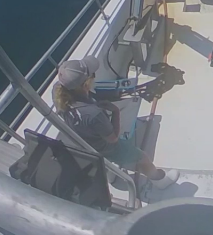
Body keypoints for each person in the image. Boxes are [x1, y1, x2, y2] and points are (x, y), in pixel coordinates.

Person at [52, 57, 179, 189]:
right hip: (105, 146)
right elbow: (112, 139)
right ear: (85, 84)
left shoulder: (57, 93)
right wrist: (115, 111)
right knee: (142, 157)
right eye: (92, 75)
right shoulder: (94, 114)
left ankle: (110, 173)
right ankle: (159, 180)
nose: (94, 77)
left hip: (84, 141)